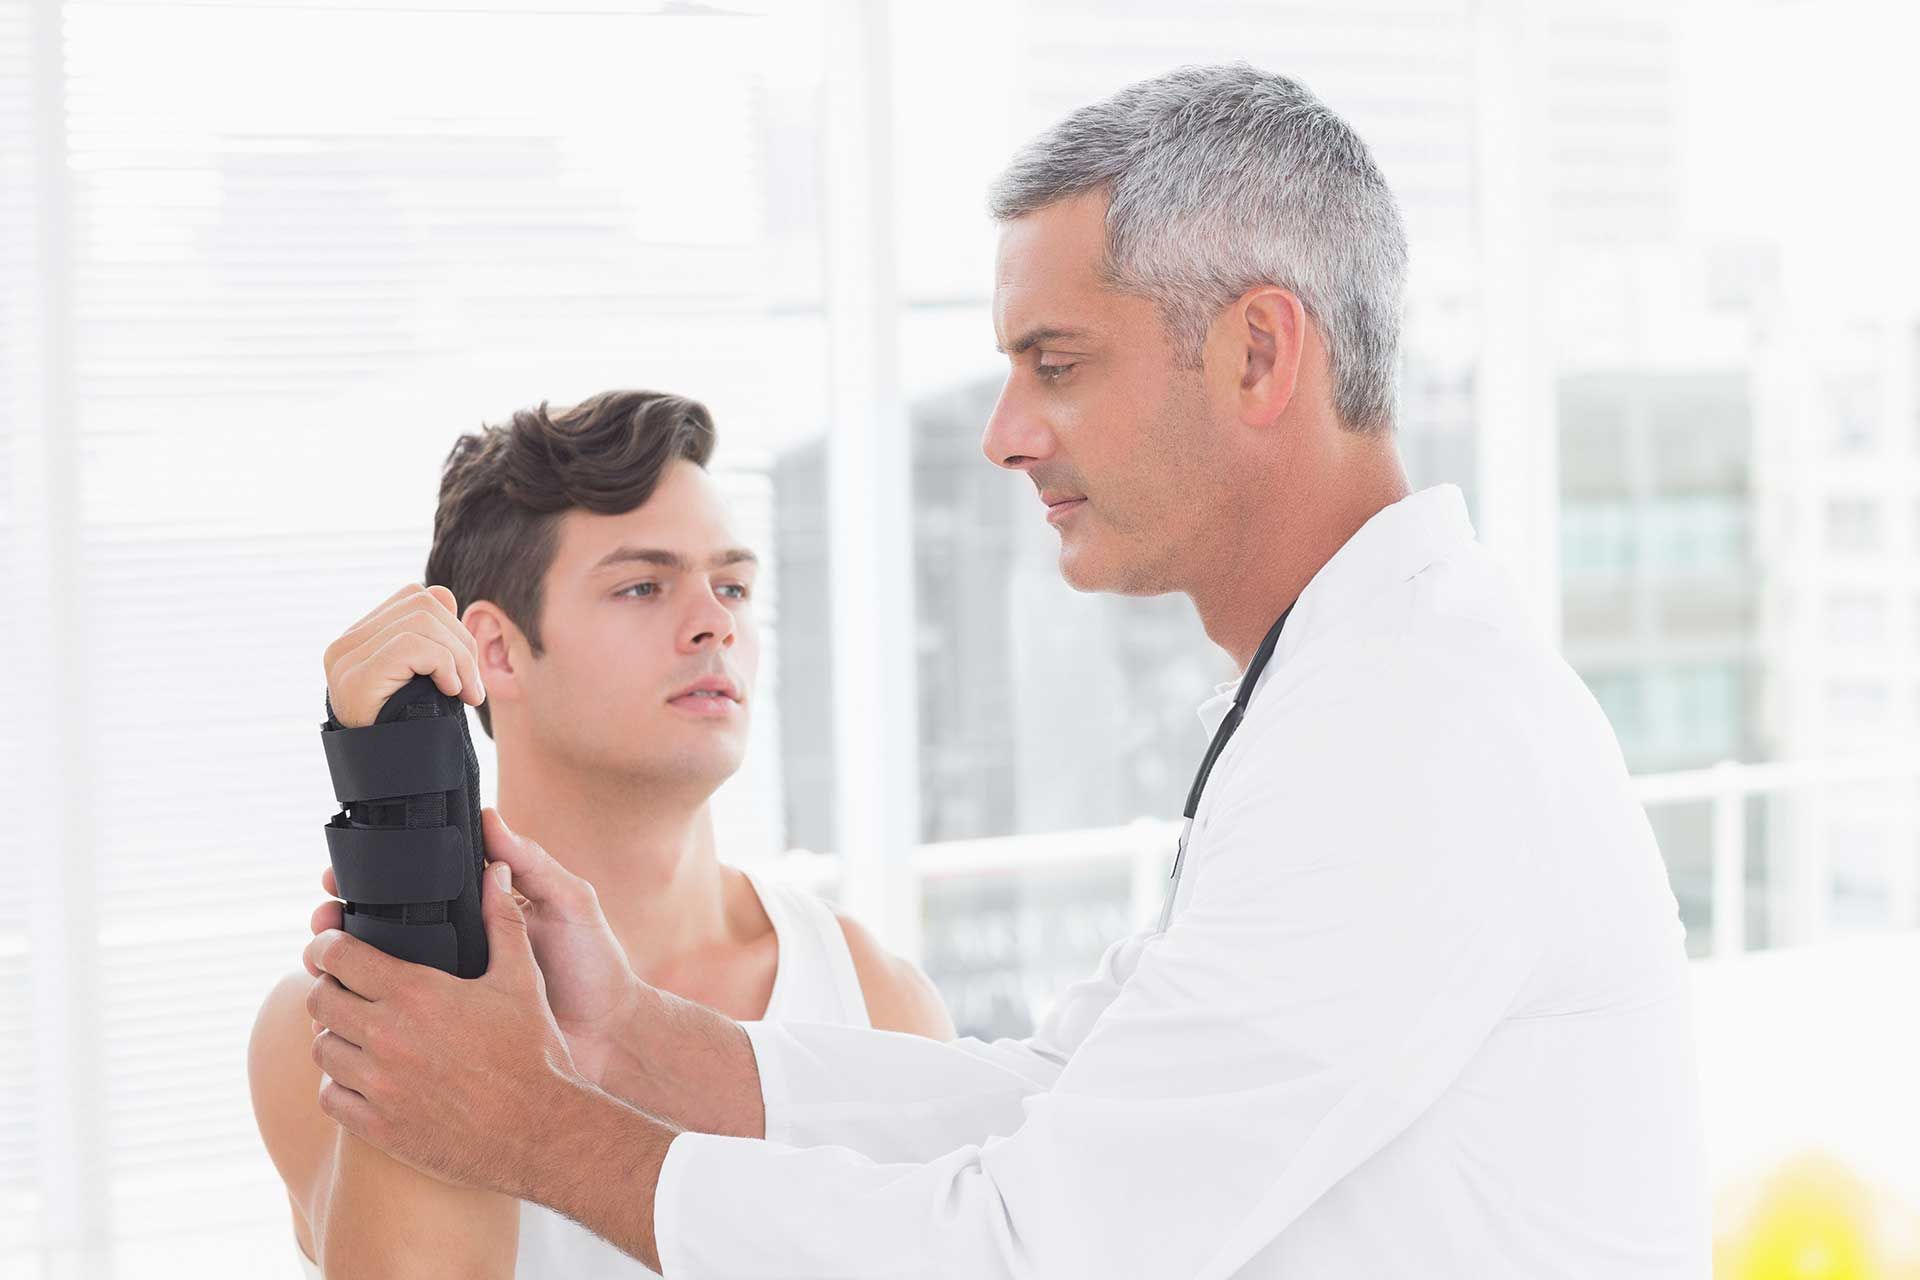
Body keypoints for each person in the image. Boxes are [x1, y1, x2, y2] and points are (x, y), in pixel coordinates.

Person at [300, 64, 1711, 1277]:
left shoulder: (1404, 742)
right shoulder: (1350, 704)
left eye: (1058, 363)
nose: (1006, 433)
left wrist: (541, 1129)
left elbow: (1024, 1252)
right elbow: (1056, 1099)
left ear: (1258, 353)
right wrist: (630, 1040)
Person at [249, 390, 954, 1277]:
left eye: (733, 586)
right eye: (642, 586)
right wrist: (403, 796)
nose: (715, 622)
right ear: (495, 652)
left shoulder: (877, 998)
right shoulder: (331, 1031)